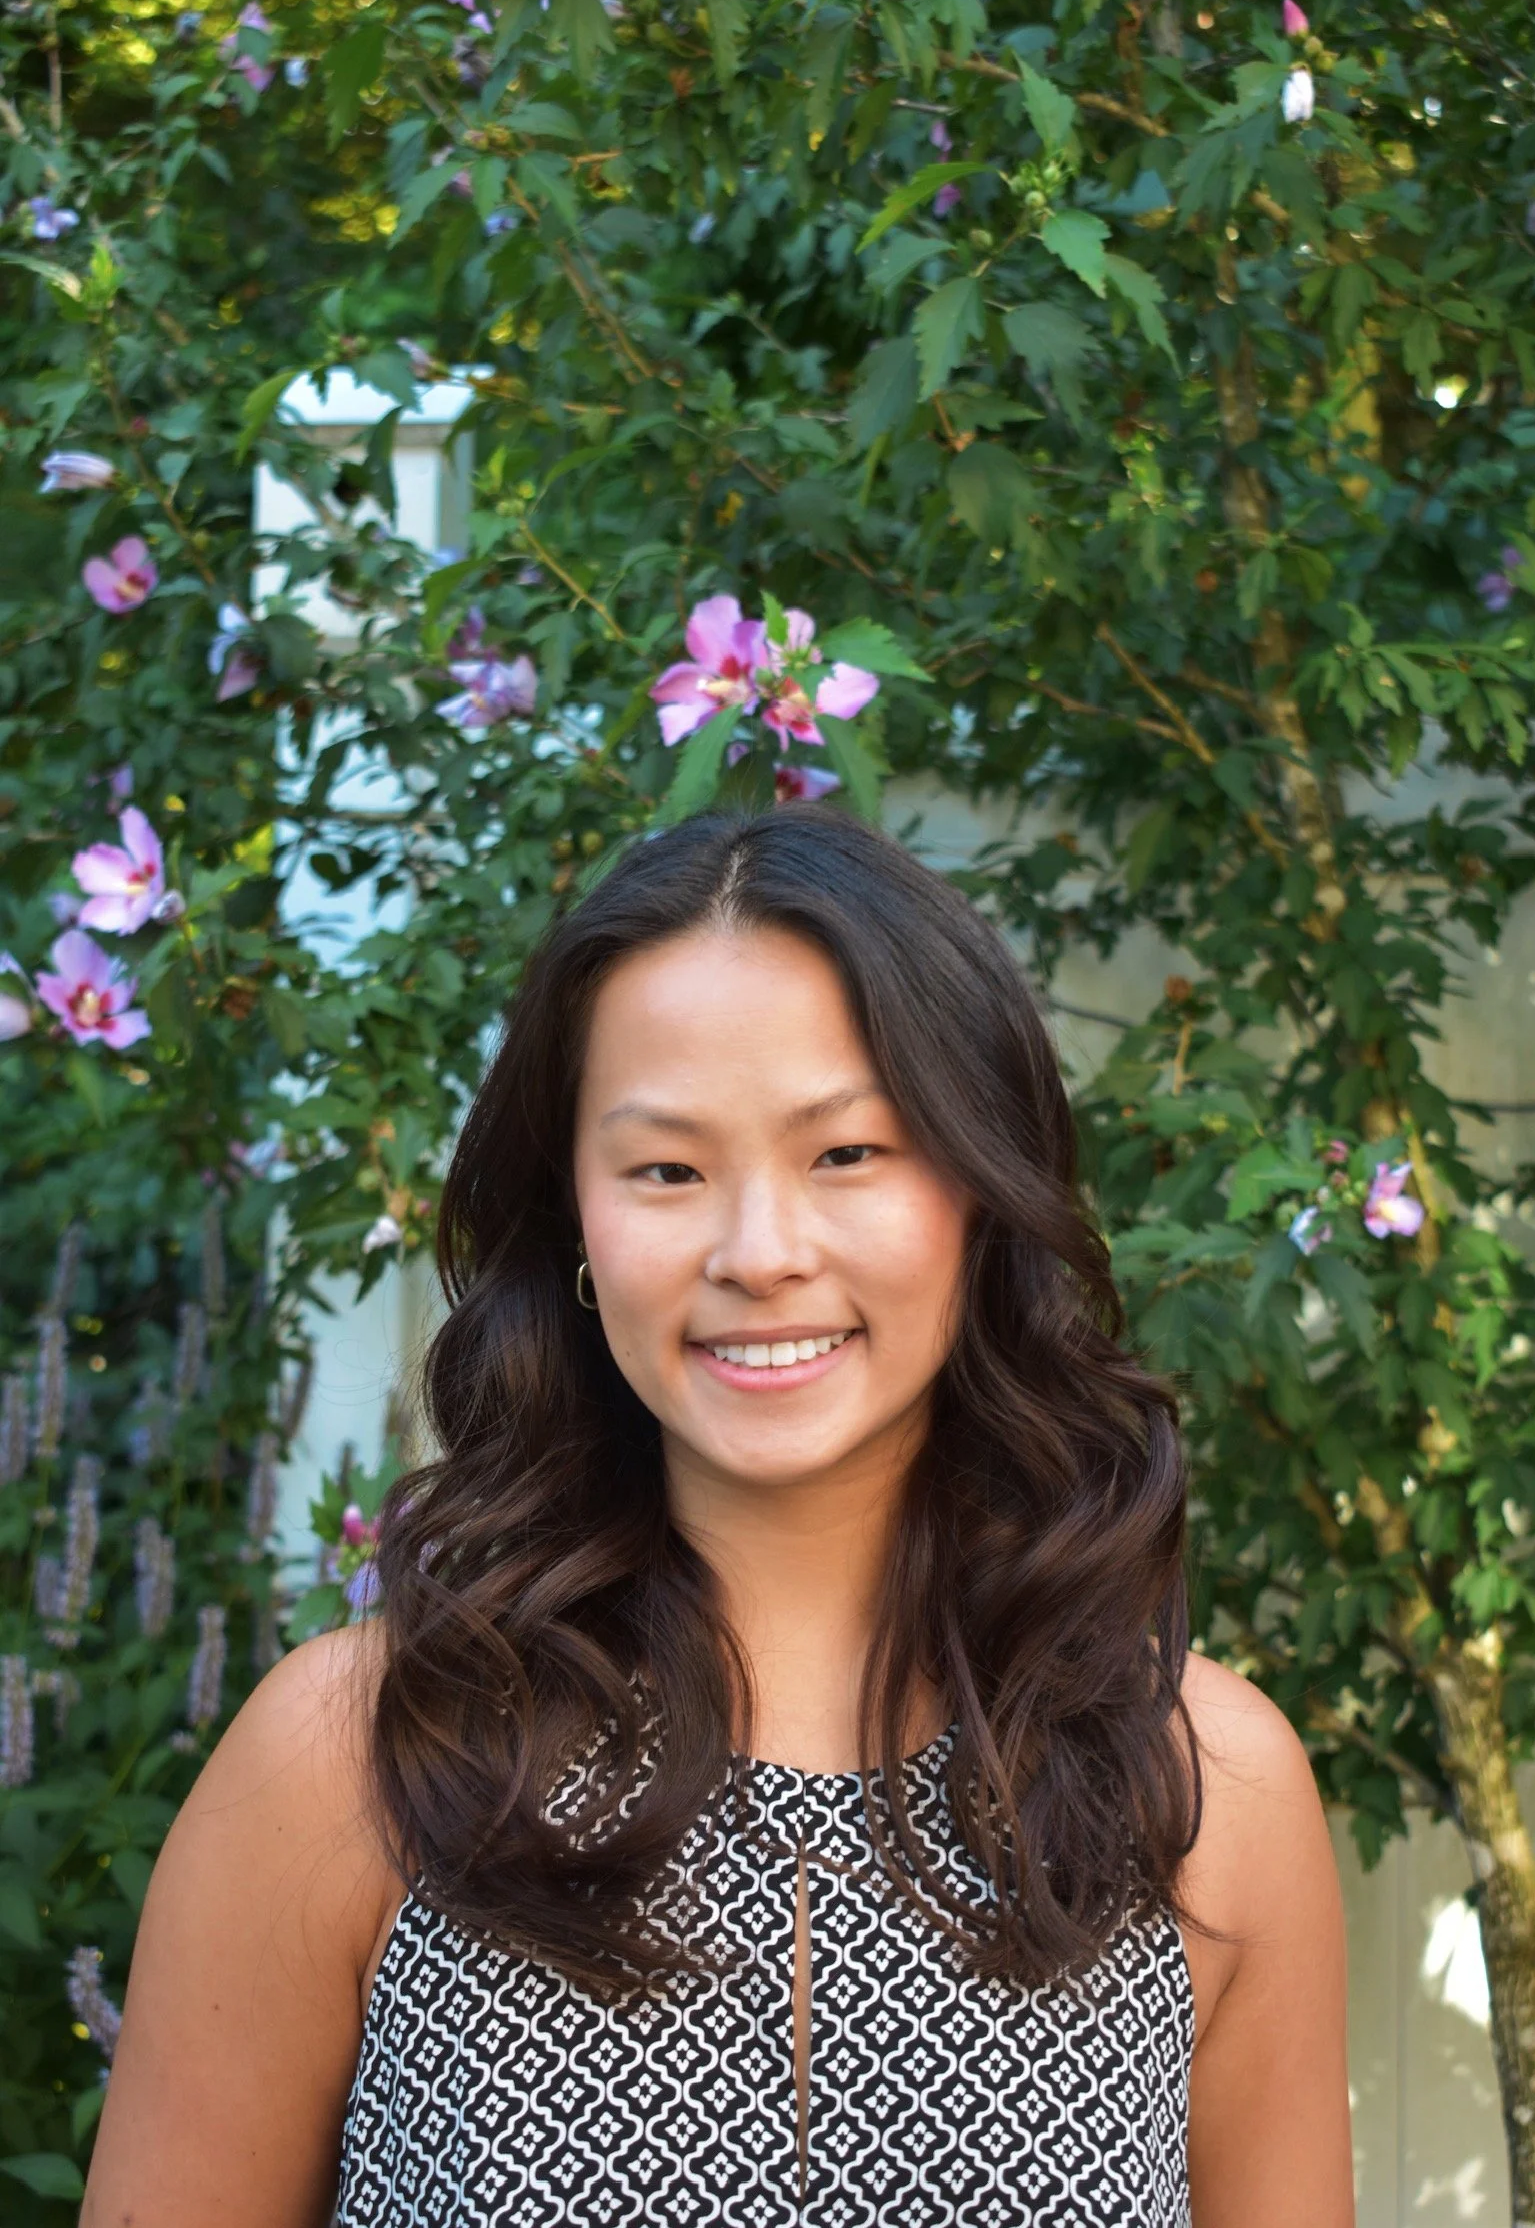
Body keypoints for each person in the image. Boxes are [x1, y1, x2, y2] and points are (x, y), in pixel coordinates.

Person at [83, 806, 1352, 2228]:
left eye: (848, 1152)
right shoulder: (362, 1759)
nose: (759, 1252)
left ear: (983, 1191)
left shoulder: (1205, 1794)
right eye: (668, 1169)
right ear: (574, 1220)